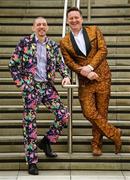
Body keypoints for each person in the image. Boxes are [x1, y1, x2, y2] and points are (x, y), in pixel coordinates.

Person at [9, 17, 70, 175]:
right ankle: (32, 162)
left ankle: (46, 141)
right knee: (30, 125)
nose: (41, 27)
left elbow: (60, 64)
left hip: (47, 87)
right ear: (33, 27)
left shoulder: (53, 45)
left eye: (44, 24)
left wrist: (65, 75)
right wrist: (22, 84)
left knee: (63, 115)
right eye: (38, 24)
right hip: (31, 88)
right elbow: (12, 65)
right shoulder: (25, 43)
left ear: (47, 27)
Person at [60, 7, 122, 157]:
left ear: (81, 19)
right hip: (85, 81)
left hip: (102, 77)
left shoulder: (94, 30)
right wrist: (83, 71)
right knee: (88, 112)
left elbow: (103, 50)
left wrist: (90, 66)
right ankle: (114, 133)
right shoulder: (64, 42)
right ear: (67, 21)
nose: (74, 20)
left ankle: (96, 145)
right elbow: (69, 62)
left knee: (102, 112)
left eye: (76, 17)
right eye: (71, 18)